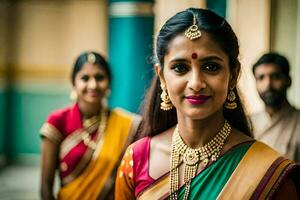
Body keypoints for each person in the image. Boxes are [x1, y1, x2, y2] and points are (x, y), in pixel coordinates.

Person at [114, 8, 300, 200]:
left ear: (233, 75)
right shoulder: (137, 159)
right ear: (161, 76)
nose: (196, 83)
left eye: (211, 67)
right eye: (180, 68)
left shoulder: (269, 174)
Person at [40, 51, 142, 200]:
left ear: (109, 82)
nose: (93, 85)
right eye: (85, 78)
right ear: (74, 83)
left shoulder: (126, 124)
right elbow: (45, 188)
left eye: (99, 78)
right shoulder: (58, 121)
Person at [250, 52, 300, 162]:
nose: (268, 84)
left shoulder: (297, 121)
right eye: (261, 78)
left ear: (288, 81)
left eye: (276, 77)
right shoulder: (247, 123)